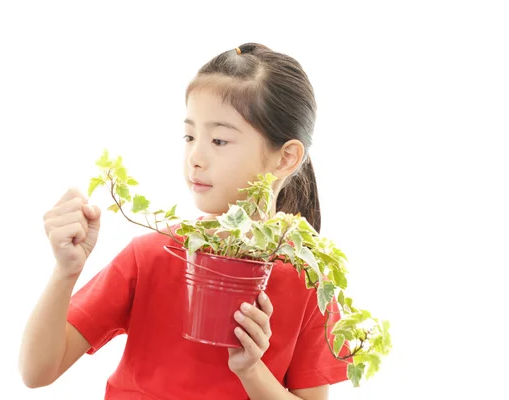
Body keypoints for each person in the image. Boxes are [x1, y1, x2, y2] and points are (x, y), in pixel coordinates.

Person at [19, 43, 350, 399]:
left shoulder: (308, 281)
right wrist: (65, 272)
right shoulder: (152, 255)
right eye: (190, 136)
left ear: (285, 158)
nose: (195, 157)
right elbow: (38, 370)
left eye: (219, 140)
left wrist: (251, 370)